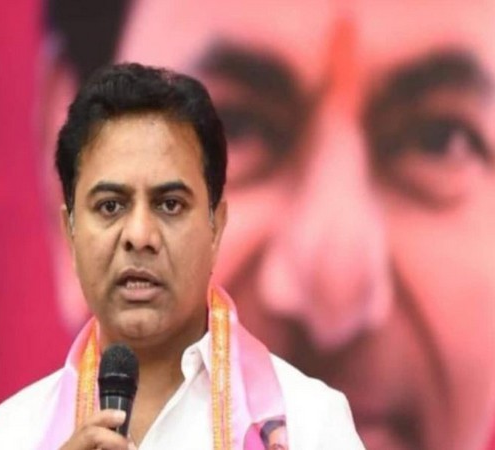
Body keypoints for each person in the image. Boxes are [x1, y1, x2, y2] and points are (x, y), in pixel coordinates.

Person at [39, 2, 495, 450]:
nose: (335, 295)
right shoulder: (16, 433)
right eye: (234, 128)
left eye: (439, 139)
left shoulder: (322, 419)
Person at [0, 63, 363, 449]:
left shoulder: (313, 424)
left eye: (170, 204)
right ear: (70, 232)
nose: (139, 236)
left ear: (216, 227)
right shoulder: (15, 432)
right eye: (110, 206)